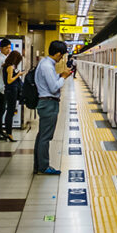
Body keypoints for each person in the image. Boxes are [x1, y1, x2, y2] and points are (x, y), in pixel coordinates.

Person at [35, 40, 73, 175]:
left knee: (42, 136)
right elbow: (54, 87)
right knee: (45, 137)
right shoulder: (47, 66)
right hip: (48, 104)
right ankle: (43, 167)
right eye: (61, 55)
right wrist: (63, 77)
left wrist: (59, 76)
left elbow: (50, 82)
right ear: (57, 53)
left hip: (46, 103)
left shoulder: (44, 63)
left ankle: (38, 165)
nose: (61, 58)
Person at [1, 50, 24, 141]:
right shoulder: (10, 67)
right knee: (10, 112)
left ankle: (8, 132)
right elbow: (9, 81)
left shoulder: (5, 66)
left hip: (9, 90)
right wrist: (18, 74)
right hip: (11, 90)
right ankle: (9, 133)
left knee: (10, 111)